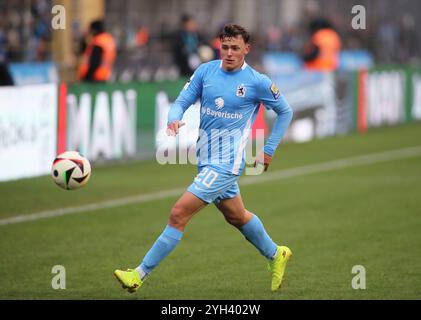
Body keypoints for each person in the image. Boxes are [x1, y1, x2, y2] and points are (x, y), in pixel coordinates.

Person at [114, 24, 294, 293]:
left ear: (247, 49)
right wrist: (174, 118)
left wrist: (268, 149)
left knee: (178, 214)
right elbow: (182, 101)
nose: (229, 53)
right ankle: (275, 254)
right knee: (237, 217)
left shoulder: (258, 82)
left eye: (235, 48)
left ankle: (138, 274)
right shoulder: (206, 71)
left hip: (226, 164)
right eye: (225, 47)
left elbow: (285, 112)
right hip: (205, 159)